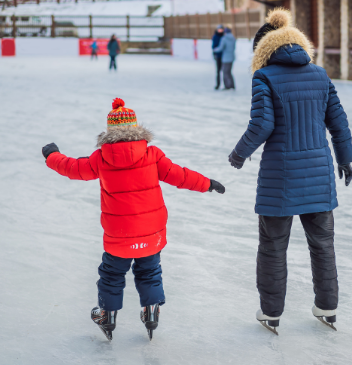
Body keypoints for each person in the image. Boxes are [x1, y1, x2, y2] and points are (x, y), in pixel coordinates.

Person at [42, 98, 225, 341]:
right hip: (151, 233)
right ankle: (151, 311)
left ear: (110, 132)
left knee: (111, 274)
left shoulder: (101, 157)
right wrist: (207, 184)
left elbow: (73, 168)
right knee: (149, 272)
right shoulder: (152, 154)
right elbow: (179, 175)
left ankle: (107, 316)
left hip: (118, 235)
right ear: (136, 128)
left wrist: (52, 155)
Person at [228, 8, 352, 334]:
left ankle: (271, 313)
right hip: (319, 175)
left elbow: (262, 124)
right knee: (323, 246)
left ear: (263, 52)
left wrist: (239, 153)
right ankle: (327, 306)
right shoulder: (320, 74)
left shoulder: (264, 77)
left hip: (279, 179)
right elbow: (338, 123)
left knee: (272, 247)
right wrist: (345, 159)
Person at [213, 26, 236, 90]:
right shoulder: (233, 38)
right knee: (229, 72)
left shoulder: (224, 38)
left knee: (225, 72)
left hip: (226, 58)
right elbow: (234, 47)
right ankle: (232, 85)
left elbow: (221, 48)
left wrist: (215, 50)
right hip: (231, 57)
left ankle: (227, 86)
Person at [212, 25, 224, 89]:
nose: (220, 30)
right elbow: (213, 46)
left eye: (221, 29)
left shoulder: (224, 36)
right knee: (218, 71)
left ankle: (226, 84)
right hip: (218, 56)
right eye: (219, 29)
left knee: (225, 71)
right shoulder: (215, 36)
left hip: (224, 56)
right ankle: (218, 84)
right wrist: (214, 53)